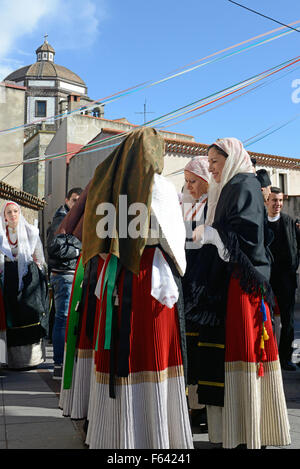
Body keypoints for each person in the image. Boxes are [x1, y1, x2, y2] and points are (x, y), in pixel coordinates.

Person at [61, 127, 193, 449]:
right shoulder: (158, 186)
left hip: (112, 277)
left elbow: (95, 238)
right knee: (149, 352)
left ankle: (112, 434)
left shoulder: (109, 183)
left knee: (117, 348)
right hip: (148, 279)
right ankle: (152, 435)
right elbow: (175, 244)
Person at [191, 138, 290, 449]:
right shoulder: (233, 186)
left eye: (215, 163)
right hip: (232, 286)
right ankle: (239, 431)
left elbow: (247, 245)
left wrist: (213, 236)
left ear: (230, 159)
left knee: (244, 355)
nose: (211, 168)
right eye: (208, 163)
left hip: (244, 289)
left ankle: (248, 431)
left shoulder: (243, 185)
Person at [0, 201, 48, 369]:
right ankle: (12, 361)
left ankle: (32, 359)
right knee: (11, 318)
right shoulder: (1, 234)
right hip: (8, 281)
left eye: (15, 211)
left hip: (28, 281)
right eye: (9, 213)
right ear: (4, 216)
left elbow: (39, 258)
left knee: (30, 315)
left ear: (20, 213)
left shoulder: (31, 232)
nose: (13, 215)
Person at [181, 157, 210, 430]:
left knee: (203, 349)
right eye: (186, 181)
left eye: (193, 182)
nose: (188, 187)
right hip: (185, 283)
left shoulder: (213, 205)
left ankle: (203, 407)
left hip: (205, 284)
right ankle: (191, 405)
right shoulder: (182, 204)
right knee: (188, 347)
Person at [47, 187, 82, 379]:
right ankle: (59, 364)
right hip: (64, 275)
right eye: (74, 200)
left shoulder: (69, 217)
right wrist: (79, 251)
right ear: (67, 200)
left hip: (68, 274)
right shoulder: (62, 218)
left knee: (65, 319)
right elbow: (56, 248)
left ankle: (62, 363)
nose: (77, 204)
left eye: (80, 201)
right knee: (63, 319)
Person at [265, 187, 300, 371]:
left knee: (287, 321)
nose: (277, 204)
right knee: (265, 319)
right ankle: (266, 356)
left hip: (286, 279)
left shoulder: (290, 222)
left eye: (280, 200)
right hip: (267, 279)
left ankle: (286, 358)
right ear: (266, 201)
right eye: (274, 200)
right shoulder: (261, 223)